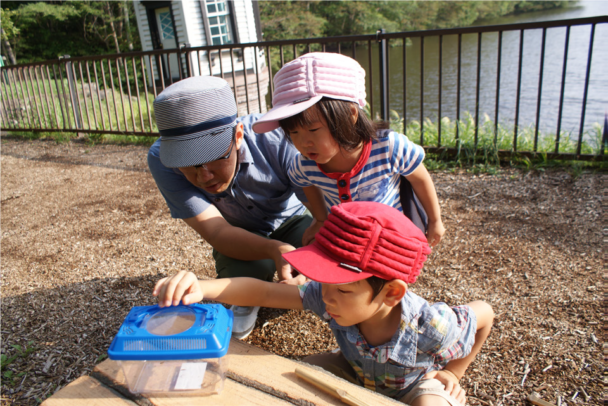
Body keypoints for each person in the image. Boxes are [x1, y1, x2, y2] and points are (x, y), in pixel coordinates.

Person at [153, 201, 494, 406]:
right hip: (355, 368)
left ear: (391, 293)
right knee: (286, 377)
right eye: (324, 283)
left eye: (343, 291)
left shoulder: (432, 325)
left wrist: (453, 371)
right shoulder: (328, 293)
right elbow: (266, 293)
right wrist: (203, 287)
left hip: (415, 385)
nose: (326, 297)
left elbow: (485, 314)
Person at [147, 75, 313, 339]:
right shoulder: (160, 160)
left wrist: (310, 255)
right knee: (242, 276)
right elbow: (217, 232)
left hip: (292, 220)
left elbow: (321, 211)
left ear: (238, 136)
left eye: (213, 159)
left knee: (323, 264)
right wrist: (274, 249)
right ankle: (249, 295)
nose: (203, 177)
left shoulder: (277, 139)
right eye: (187, 164)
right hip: (238, 231)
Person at [252, 52, 445, 249]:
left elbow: (420, 178)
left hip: (391, 236)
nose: (304, 142)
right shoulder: (304, 165)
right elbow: (304, 182)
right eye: (293, 132)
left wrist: (434, 220)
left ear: (351, 115)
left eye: (313, 129)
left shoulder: (389, 147)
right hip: (347, 236)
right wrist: (320, 219)